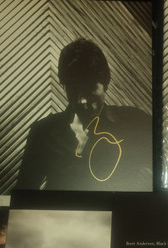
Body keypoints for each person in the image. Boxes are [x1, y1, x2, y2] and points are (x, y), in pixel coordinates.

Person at [16, 38, 153, 192]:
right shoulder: (43, 132)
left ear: (106, 84)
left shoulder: (136, 123)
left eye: (89, 89)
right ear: (64, 86)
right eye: (73, 90)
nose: (81, 100)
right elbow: (24, 195)